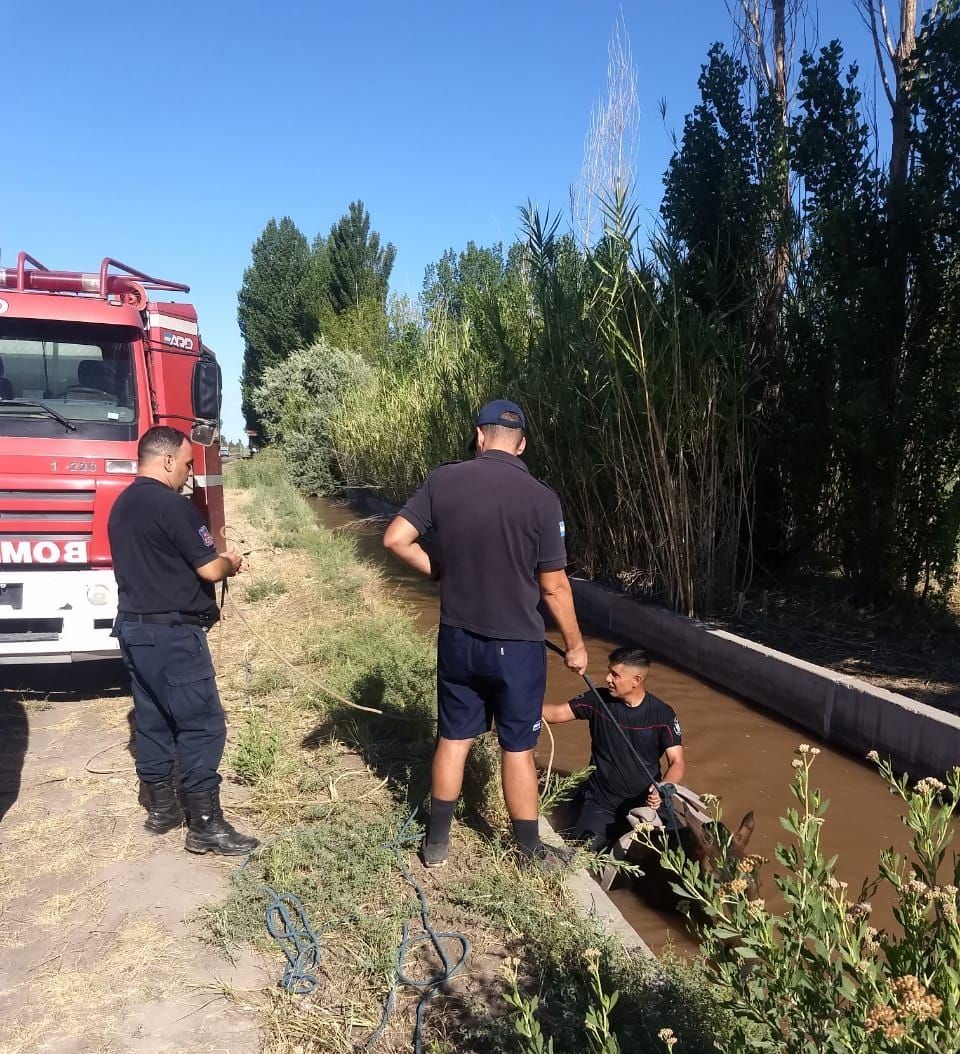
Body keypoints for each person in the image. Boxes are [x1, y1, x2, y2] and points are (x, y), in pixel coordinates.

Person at [383, 399, 588, 868]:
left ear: (479, 436)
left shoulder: (444, 480)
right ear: (522, 445)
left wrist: (439, 569)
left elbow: (395, 539)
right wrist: (575, 646)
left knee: (454, 738)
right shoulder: (541, 497)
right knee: (518, 747)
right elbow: (554, 587)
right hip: (516, 647)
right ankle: (530, 851)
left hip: (458, 636)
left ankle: (436, 845)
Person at [107, 425, 258, 856]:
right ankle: (206, 825)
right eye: (188, 463)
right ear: (167, 459)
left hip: (134, 630)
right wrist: (230, 561)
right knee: (202, 723)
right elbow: (209, 569)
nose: (190, 473)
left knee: (152, 717)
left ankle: (162, 809)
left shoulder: (122, 505)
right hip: (172, 635)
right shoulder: (173, 507)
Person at [542, 646, 685, 851]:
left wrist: (663, 788)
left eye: (615, 675)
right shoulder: (597, 700)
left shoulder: (662, 714)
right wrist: (518, 707)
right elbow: (556, 713)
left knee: (680, 848)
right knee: (581, 853)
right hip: (600, 803)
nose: (608, 678)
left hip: (646, 802)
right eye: (609, 672)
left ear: (636, 680)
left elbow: (677, 762)